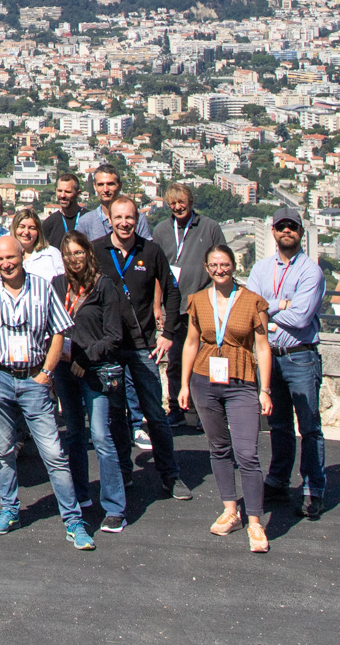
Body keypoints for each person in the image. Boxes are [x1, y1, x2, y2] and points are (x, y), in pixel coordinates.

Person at [0, 236, 96, 550]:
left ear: (21, 255)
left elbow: (58, 332)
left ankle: (73, 520)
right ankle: (9, 509)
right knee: (3, 450)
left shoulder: (42, 287)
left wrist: (46, 373)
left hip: (32, 380)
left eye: (11, 258)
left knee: (53, 453)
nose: (6, 265)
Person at [90, 195, 188, 501]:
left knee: (154, 414)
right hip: (111, 347)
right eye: (118, 218)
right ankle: (123, 471)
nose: (124, 223)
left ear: (137, 219)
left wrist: (167, 333)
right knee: (116, 414)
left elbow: (172, 291)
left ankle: (170, 474)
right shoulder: (97, 250)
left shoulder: (152, 251)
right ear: (110, 220)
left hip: (144, 345)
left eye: (129, 218)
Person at [177, 244, 274, 552]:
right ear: (207, 269)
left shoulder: (253, 302)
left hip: (241, 382)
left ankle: (255, 521)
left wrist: (265, 389)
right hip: (204, 381)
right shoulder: (196, 301)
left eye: (225, 264)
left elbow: (262, 347)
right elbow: (191, 343)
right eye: (214, 265)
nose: (220, 270)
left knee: (247, 453)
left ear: (234, 266)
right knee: (218, 448)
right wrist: (183, 385)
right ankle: (230, 509)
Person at [248, 204, 327, 520]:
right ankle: (278, 481)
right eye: (281, 226)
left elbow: (302, 315)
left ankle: (313, 491)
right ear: (274, 231)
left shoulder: (311, 271)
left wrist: (268, 316)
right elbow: (249, 306)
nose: (286, 231)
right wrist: (280, 307)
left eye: (292, 227)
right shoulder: (261, 269)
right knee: (278, 424)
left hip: (300, 357)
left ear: (300, 232)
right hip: (270, 359)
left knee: (309, 427)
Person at [50, 232, 130, 533]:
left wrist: (88, 358)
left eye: (78, 252)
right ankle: (81, 494)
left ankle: (114, 507)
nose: (74, 258)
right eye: (68, 253)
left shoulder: (104, 285)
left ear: (88, 253)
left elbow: (114, 335)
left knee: (100, 436)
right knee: (73, 435)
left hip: (94, 370)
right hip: (65, 369)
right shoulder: (58, 285)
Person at [153, 183, 227, 424]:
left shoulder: (209, 226)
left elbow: (223, 261)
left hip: (203, 306)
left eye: (181, 201)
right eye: (172, 203)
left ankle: (207, 410)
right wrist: (157, 308)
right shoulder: (162, 230)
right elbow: (155, 272)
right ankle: (176, 408)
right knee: (175, 360)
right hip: (173, 309)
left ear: (191, 201)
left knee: (206, 359)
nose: (177, 206)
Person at [42, 173, 106, 247]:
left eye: (67, 192)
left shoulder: (90, 219)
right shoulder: (49, 223)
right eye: (59, 191)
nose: (62, 195)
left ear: (78, 193)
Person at [14, 208, 63, 285]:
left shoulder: (51, 254)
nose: (26, 232)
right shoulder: (6, 255)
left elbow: (64, 284)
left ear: (38, 231)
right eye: (22, 227)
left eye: (32, 228)